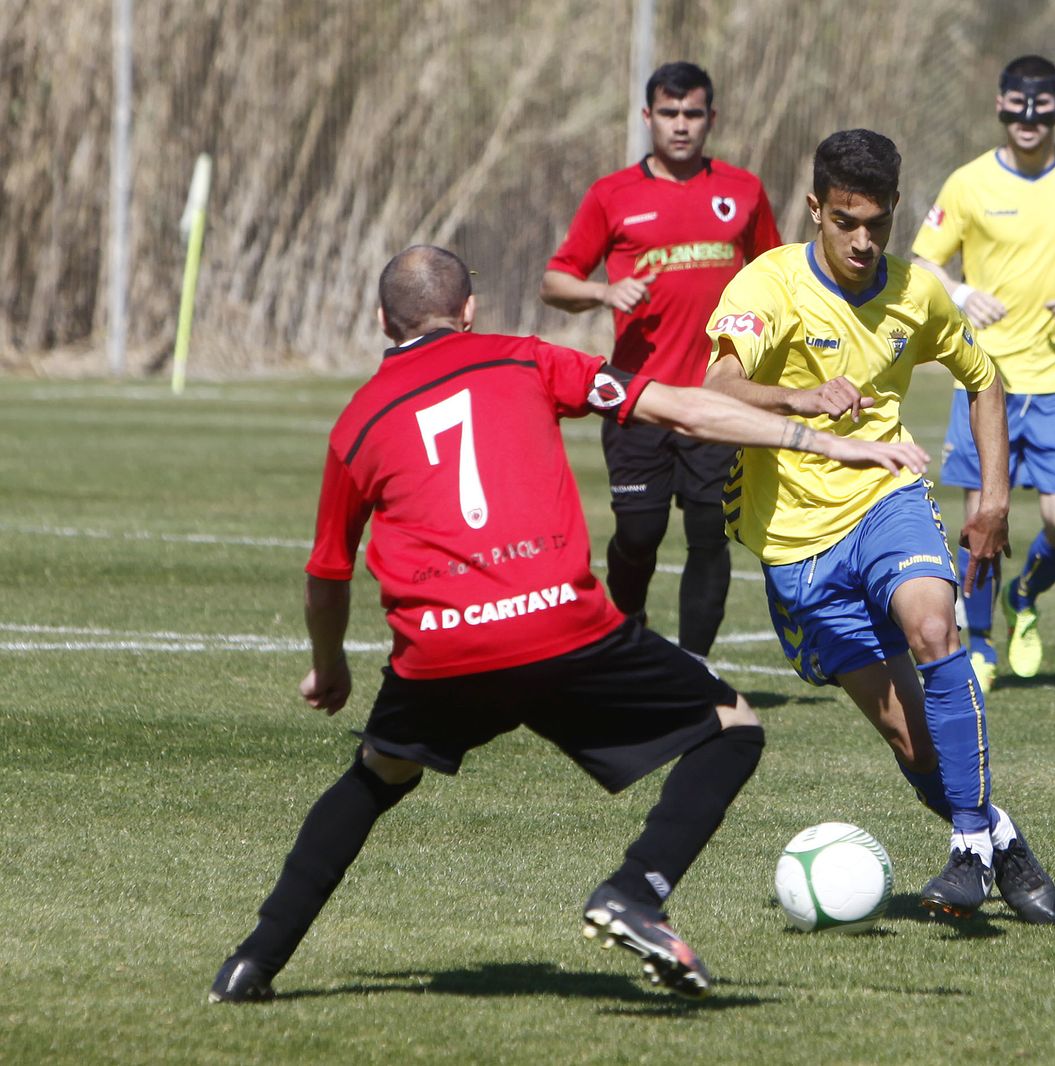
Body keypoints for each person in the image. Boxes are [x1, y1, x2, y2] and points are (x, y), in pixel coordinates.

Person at [208, 246, 927, 1004]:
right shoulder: (526, 359)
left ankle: (252, 964)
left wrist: (329, 666)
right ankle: (636, 892)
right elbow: (680, 407)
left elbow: (327, 574)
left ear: (383, 321)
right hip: (560, 625)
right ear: (469, 311)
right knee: (733, 727)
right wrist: (827, 440)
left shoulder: (358, 420)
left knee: (378, 772)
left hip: (444, 647)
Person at [703, 130, 1055, 924]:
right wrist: (796, 397)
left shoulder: (917, 293)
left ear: (897, 209)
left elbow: (985, 379)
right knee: (913, 742)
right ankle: (1002, 841)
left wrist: (993, 497)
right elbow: (717, 386)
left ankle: (966, 850)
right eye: (845, 221)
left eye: (877, 223)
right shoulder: (770, 285)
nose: (862, 241)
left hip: (885, 497)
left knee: (935, 627)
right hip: (795, 542)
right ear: (815, 209)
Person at [542, 61, 782, 659]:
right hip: (637, 396)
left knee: (708, 535)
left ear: (710, 118)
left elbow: (774, 276)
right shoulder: (612, 195)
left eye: (692, 114)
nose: (681, 125)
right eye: (669, 113)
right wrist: (602, 293)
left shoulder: (743, 190)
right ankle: (628, 635)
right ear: (648, 117)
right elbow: (554, 282)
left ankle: (695, 667)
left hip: (716, 396)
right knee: (639, 531)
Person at [911, 54, 1055, 693]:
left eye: (1040, 107)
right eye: (1017, 106)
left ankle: (1024, 595)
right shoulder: (968, 183)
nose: (1028, 119)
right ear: (1001, 106)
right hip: (988, 380)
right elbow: (924, 260)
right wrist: (960, 293)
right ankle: (979, 645)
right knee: (982, 518)